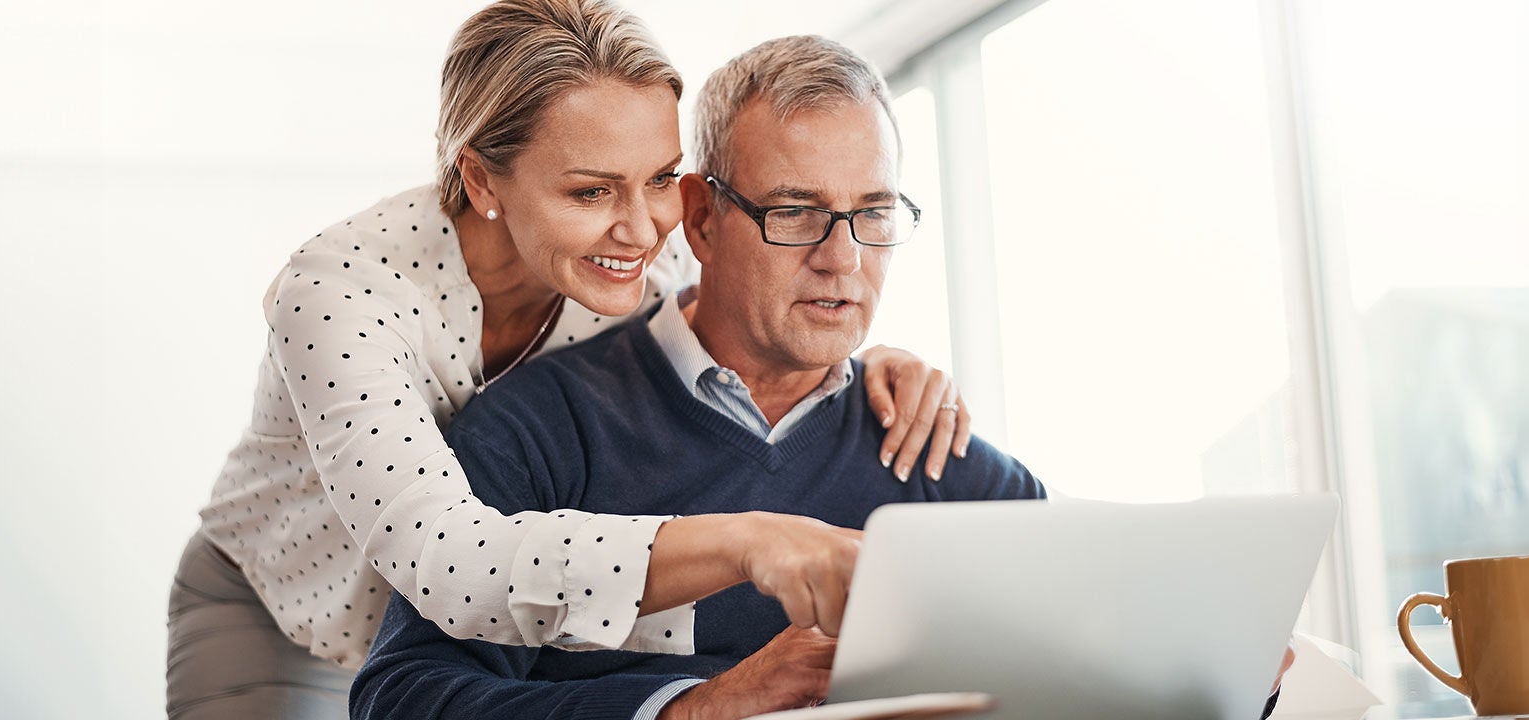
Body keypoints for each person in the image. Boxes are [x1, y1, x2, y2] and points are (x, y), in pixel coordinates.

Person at [166, 2, 982, 718]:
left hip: (505, 625)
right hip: (296, 607)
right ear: (481, 176)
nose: (641, 227)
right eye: (592, 192)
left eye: (659, 178)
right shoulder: (338, 294)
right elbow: (457, 570)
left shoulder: (648, 258)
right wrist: (747, 541)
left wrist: (875, 358)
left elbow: (772, 293)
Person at [350, 35, 1048, 720]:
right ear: (702, 220)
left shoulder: (924, 444)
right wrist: (696, 708)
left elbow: (1083, 628)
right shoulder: (532, 432)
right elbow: (401, 701)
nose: (844, 258)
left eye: (873, 213)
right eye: (795, 212)